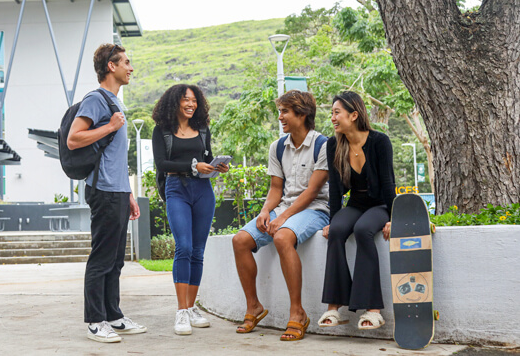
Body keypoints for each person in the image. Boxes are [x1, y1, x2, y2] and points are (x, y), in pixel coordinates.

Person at [232, 90, 330, 341]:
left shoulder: (323, 145)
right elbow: (276, 188)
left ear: (302, 113)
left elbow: (312, 192)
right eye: (280, 111)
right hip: (284, 207)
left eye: (285, 111)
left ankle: (297, 313)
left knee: (282, 238)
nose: (280, 117)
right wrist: (266, 212)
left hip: (316, 209)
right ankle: (253, 305)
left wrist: (282, 217)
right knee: (240, 240)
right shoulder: (277, 147)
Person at [66, 43, 145, 343]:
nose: (131, 67)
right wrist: (110, 126)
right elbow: (75, 138)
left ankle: (114, 316)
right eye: (126, 62)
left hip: (118, 191)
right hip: (102, 190)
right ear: (111, 66)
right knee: (101, 258)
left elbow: (116, 157)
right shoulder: (97, 100)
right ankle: (95, 321)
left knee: (115, 260)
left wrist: (128, 192)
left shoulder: (115, 102)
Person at [152, 84, 229, 336]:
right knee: (183, 247)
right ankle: (181, 311)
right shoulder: (162, 131)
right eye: (185, 99)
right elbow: (162, 163)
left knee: (198, 251)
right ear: (174, 102)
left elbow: (206, 156)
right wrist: (194, 166)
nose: (190, 104)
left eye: (194, 100)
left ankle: (192, 307)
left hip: (203, 191)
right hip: (177, 189)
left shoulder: (203, 129)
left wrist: (216, 166)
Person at [317, 91, 396, 330]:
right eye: (332, 113)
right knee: (338, 231)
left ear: (354, 115)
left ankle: (373, 310)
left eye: (336, 112)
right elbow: (334, 190)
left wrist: (394, 218)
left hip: (380, 204)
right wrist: (332, 221)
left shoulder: (379, 141)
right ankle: (335, 307)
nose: (332, 117)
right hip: (356, 204)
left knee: (363, 230)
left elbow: (388, 183)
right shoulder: (333, 144)